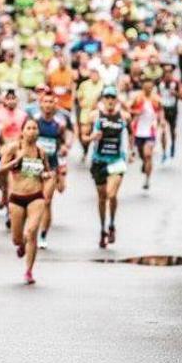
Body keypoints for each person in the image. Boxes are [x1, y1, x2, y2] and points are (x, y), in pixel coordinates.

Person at [0, 118, 50, 284]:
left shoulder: (41, 152)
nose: (32, 131)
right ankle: (21, 245)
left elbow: (48, 173)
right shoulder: (14, 148)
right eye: (29, 128)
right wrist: (15, 162)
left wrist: (46, 177)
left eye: (35, 128)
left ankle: (29, 271)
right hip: (17, 198)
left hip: (36, 196)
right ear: (22, 131)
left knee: (31, 232)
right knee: (17, 239)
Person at [82, 86, 131, 248]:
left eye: (113, 97)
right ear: (102, 99)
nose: (110, 100)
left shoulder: (124, 116)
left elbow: (129, 134)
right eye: (107, 97)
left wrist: (130, 152)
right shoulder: (95, 116)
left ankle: (112, 224)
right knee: (102, 198)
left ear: (116, 100)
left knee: (111, 194)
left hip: (116, 161)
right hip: (99, 161)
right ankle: (104, 228)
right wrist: (91, 137)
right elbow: (83, 136)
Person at [30, 90, 73, 250]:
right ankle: (32, 229)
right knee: (32, 199)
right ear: (41, 104)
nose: (48, 105)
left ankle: (42, 235)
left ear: (55, 104)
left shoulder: (59, 123)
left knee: (46, 201)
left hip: (52, 165)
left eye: (51, 102)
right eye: (45, 102)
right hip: (34, 166)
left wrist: (64, 147)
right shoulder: (34, 121)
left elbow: (66, 138)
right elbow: (25, 139)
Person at [130, 81, 163, 190]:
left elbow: (160, 111)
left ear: (153, 88)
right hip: (139, 131)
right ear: (143, 87)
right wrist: (137, 112)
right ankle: (144, 163)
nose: (148, 89)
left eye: (150, 87)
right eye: (146, 87)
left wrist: (161, 120)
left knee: (148, 154)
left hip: (150, 131)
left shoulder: (156, 99)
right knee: (142, 154)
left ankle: (147, 180)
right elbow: (129, 109)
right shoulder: (138, 98)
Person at [157, 64, 182, 162]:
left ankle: (173, 144)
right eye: (166, 72)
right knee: (163, 131)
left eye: (170, 72)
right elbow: (155, 96)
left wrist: (175, 94)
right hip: (163, 110)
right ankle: (164, 152)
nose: (168, 74)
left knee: (172, 130)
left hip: (173, 109)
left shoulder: (176, 83)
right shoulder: (159, 83)